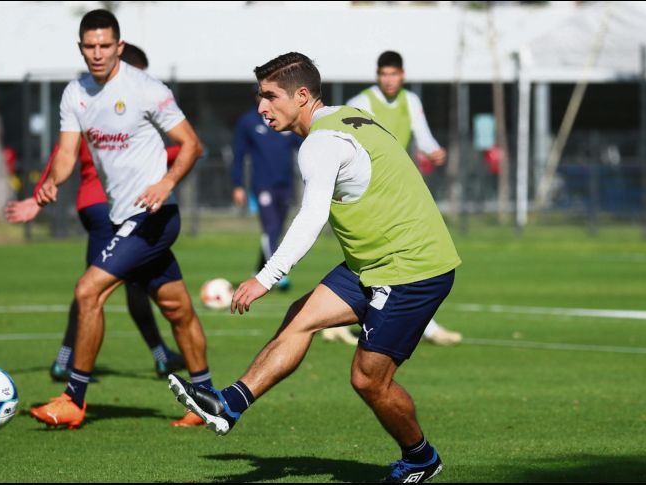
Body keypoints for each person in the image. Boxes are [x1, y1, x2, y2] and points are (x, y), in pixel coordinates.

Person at [168, 52, 461, 483]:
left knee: (367, 379)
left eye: (270, 97)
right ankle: (229, 404)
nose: (261, 108)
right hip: (373, 261)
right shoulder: (348, 115)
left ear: (302, 96)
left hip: (411, 268)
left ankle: (421, 458)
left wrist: (266, 277)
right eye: (259, 97)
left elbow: (311, 217)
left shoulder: (320, 144)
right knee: (301, 317)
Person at [29, 9, 210, 429]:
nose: (97, 53)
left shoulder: (146, 89)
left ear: (119, 47)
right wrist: (53, 182)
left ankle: (74, 399)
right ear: (81, 48)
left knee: (88, 291)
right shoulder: (74, 94)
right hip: (122, 217)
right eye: (89, 46)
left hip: (154, 216)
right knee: (176, 307)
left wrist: (165, 184)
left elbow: (192, 145)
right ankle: (204, 401)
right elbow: (69, 155)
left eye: (105, 46)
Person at [5, 43, 186, 385]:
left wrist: (38, 196)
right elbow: (67, 154)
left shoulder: (96, 103)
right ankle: (67, 362)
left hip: (96, 207)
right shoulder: (103, 104)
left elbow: (62, 154)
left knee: (116, 285)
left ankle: (159, 355)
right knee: (93, 288)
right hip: (111, 209)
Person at [345, 50, 462, 347]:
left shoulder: (411, 101)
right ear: (377, 75)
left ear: (402, 75)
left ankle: (335, 320)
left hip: (398, 189)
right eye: (383, 74)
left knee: (398, 254)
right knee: (397, 254)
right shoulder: (361, 103)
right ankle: (426, 326)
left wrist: (433, 150)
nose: (388, 79)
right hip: (370, 191)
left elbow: (422, 136)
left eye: (393, 74)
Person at [231, 94, 302, 290]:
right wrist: (237, 185)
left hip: (285, 185)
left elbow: (303, 145)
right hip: (262, 186)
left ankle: (258, 270)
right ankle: (279, 275)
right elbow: (238, 154)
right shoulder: (248, 122)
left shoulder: (284, 120)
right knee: (270, 228)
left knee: (277, 230)